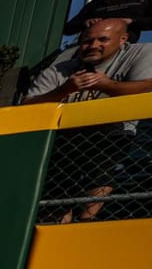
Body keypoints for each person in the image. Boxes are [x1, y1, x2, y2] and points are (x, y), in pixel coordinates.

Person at [22, 18, 152, 221]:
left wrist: (106, 85)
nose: (93, 46)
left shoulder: (141, 53)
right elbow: (27, 105)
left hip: (112, 134)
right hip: (64, 137)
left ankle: (87, 220)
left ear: (122, 39)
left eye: (103, 40)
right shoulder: (61, 68)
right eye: (87, 41)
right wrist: (65, 90)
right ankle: (58, 223)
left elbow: (145, 87)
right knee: (59, 176)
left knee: (106, 150)